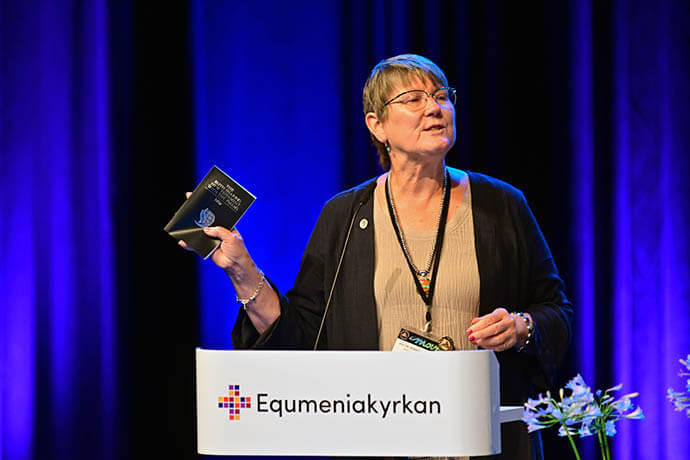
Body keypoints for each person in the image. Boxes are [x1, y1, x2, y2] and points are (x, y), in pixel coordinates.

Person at [181, 54, 573, 460]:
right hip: (379, 442)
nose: (434, 108)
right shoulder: (346, 215)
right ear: (377, 125)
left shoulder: (501, 204)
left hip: (485, 442)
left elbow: (556, 310)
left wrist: (521, 327)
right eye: (413, 99)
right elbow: (301, 335)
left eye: (441, 96)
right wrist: (242, 270)